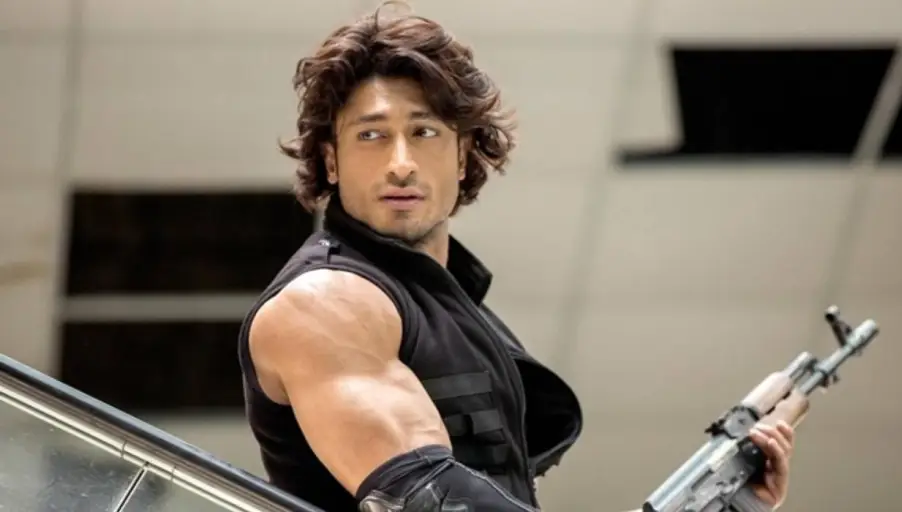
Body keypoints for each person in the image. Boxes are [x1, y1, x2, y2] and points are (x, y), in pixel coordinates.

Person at [236, 2, 797, 511]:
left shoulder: (451, 303)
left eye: (424, 132)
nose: (401, 162)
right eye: (371, 136)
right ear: (331, 161)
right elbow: (432, 502)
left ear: (462, 155)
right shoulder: (324, 302)